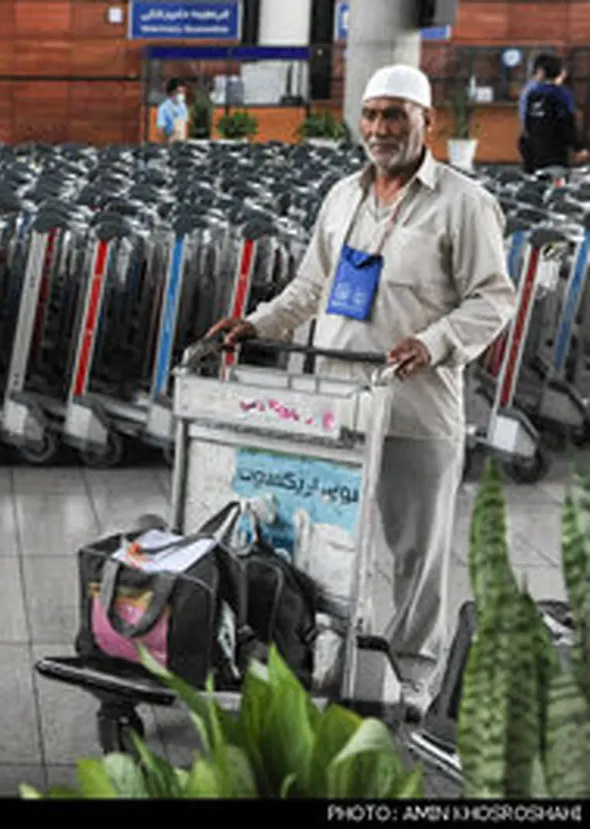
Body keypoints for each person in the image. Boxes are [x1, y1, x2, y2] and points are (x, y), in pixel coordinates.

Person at [207, 64, 517, 714]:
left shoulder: (463, 202)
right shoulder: (343, 195)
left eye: (395, 115)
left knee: (416, 555)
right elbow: (312, 286)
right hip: (337, 409)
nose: (379, 128)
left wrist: (432, 343)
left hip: (414, 409)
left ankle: (412, 678)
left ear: (425, 121)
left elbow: (494, 298)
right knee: (330, 546)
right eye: (372, 115)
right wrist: (257, 322)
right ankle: (335, 658)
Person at [518, 53, 589, 175]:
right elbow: (567, 123)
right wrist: (579, 148)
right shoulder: (561, 94)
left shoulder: (528, 92)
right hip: (555, 154)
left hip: (531, 153)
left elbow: (525, 122)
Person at [156, 78, 190, 144]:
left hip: (182, 142)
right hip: (170, 142)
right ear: (172, 92)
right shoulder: (164, 108)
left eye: (183, 92)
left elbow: (185, 126)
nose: (182, 94)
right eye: (179, 92)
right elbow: (160, 130)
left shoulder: (183, 106)